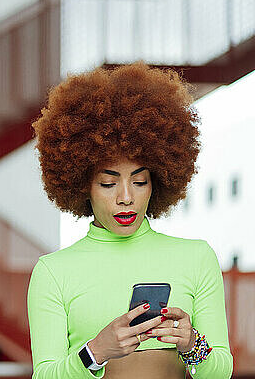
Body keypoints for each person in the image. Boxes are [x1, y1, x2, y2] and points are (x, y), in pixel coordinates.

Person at [27, 62, 233, 379]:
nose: (126, 197)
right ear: (83, 185)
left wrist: (191, 343)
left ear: (159, 180)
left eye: (139, 182)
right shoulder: (53, 273)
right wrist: (96, 351)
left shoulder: (197, 257)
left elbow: (221, 372)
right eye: (108, 184)